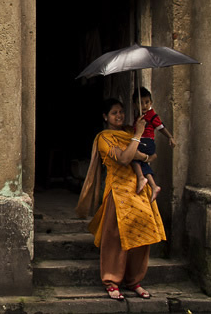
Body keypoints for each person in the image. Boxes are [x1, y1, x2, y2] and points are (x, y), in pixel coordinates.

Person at [76, 98, 166, 301]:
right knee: (115, 241)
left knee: (141, 239)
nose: (119, 116)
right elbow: (125, 159)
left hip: (139, 191)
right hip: (118, 193)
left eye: (121, 112)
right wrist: (138, 139)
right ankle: (111, 281)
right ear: (105, 117)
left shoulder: (129, 132)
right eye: (114, 113)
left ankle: (134, 281)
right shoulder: (104, 138)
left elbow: (151, 156)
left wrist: (139, 141)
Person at [130, 87, 177, 202]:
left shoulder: (151, 115)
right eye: (140, 103)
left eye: (147, 102)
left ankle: (141, 178)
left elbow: (160, 127)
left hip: (146, 142)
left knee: (132, 157)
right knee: (143, 164)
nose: (144, 105)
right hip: (143, 141)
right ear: (135, 105)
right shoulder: (140, 116)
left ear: (151, 102)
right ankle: (153, 185)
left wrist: (170, 137)